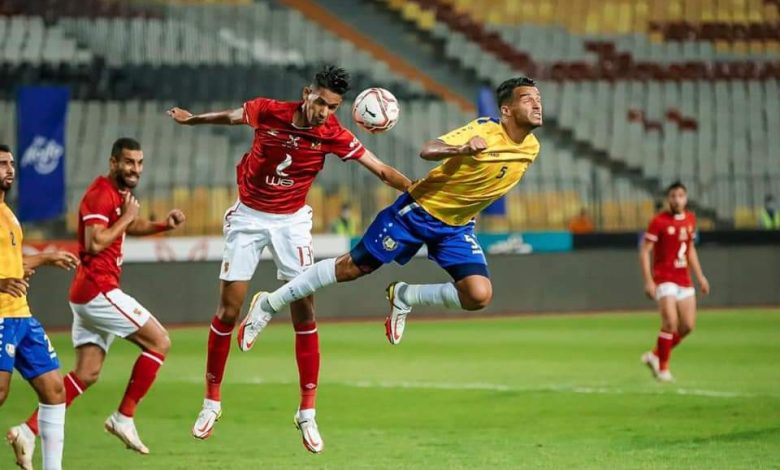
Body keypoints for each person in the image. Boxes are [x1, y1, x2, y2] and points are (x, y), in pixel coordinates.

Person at [167, 65, 410, 452]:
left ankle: (307, 413)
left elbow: (380, 169)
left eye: (333, 107)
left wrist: (417, 192)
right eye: (321, 103)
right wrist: (193, 119)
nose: (324, 112)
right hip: (248, 217)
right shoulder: (269, 111)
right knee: (228, 310)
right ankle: (211, 403)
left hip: (292, 222)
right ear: (306, 93)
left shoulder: (332, 134)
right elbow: (231, 117)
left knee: (305, 312)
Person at [238, 76, 542, 351]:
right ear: (506, 110)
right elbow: (429, 149)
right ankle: (269, 303)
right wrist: (462, 149)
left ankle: (405, 295)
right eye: (528, 99)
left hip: (456, 227)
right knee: (351, 269)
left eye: (538, 99)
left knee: (478, 295)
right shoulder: (485, 130)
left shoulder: (532, 148)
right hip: (417, 212)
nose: (537, 104)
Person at [8, 138, 186, 459]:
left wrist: (162, 225)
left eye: (140, 163)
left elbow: (128, 225)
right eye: (129, 162)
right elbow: (94, 242)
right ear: (113, 162)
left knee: (87, 373)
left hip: (88, 293)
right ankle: (124, 417)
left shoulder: (119, 195)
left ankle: (27, 430)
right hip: (98, 290)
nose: (135, 169)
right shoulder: (100, 194)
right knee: (159, 342)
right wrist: (127, 217)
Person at [1, 144, 79, 470]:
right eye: (1, 164)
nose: (9, 169)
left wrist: (46, 258)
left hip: (21, 316)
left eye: (11, 163)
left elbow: (13, 264)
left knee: (55, 390)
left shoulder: (8, 215)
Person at [639, 182, 710, 382]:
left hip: (684, 279)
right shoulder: (658, 221)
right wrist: (649, 281)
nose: (677, 200)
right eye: (673, 196)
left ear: (685, 198)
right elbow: (645, 251)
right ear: (668, 199)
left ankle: (655, 355)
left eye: (680, 196)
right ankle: (663, 369)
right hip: (664, 278)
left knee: (687, 326)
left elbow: (690, 249)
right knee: (670, 323)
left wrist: (700, 276)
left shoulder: (690, 219)